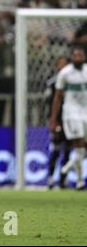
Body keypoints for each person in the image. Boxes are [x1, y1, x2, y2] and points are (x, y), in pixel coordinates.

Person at [50, 47, 87, 190]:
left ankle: (67, 167)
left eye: (80, 55)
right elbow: (58, 97)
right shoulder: (65, 73)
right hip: (71, 113)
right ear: (71, 58)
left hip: (86, 112)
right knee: (78, 145)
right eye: (75, 55)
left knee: (82, 150)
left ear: (84, 57)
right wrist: (53, 118)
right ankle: (79, 181)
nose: (78, 57)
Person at [45, 56, 71, 189]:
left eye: (65, 64)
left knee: (67, 150)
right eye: (60, 64)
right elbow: (49, 103)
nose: (63, 67)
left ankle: (63, 179)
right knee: (55, 149)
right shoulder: (52, 82)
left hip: (71, 120)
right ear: (56, 66)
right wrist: (52, 120)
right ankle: (50, 178)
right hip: (58, 119)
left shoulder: (72, 80)